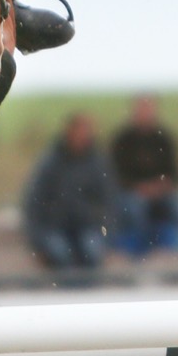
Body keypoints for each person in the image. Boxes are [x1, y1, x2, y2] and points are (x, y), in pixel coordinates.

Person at [23, 113, 114, 270]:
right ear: (69, 132)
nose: (83, 137)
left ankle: (88, 291)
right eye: (80, 131)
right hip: (54, 227)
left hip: (88, 226)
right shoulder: (50, 163)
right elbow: (33, 202)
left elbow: (109, 201)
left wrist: (107, 234)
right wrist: (37, 241)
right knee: (60, 254)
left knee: (91, 250)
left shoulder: (97, 164)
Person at [110, 95, 178, 257]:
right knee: (135, 207)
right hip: (131, 192)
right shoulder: (123, 140)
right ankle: (137, 251)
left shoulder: (164, 139)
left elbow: (176, 173)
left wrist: (161, 186)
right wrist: (140, 187)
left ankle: (173, 249)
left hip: (161, 192)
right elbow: (115, 175)